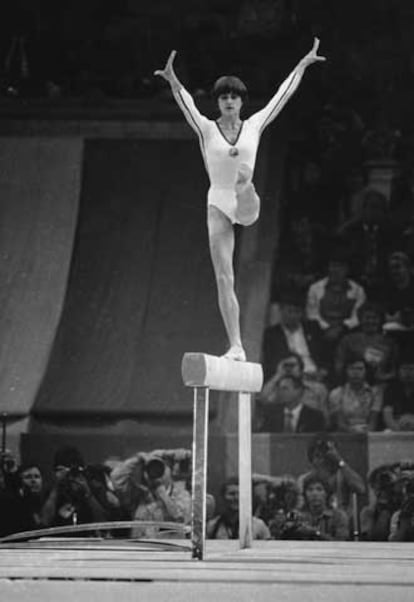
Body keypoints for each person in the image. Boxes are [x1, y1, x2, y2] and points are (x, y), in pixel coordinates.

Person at [154, 39, 326, 360]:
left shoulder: (255, 126)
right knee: (224, 277)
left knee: (244, 190)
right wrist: (174, 80)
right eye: (224, 97)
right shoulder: (205, 129)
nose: (229, 101)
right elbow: (187, 104)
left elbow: (283, 94)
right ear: (217, 102)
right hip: (218, 204)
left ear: (241, 101)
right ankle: (236, 345)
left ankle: (245, 185)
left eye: (234, 96)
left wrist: (301, 66)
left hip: (245, 204)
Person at [111, 448, 192, 539]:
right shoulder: (138, 495)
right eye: (150, 469)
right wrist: (139, 458)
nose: (155, 473)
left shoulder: (182, 495)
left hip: (168, 550)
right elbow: (116, 477)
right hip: (140, 549)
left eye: (160, 468)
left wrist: (163, 495)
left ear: (169, 470)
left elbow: (180, 518)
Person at [262, 289, 328, 382]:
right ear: (281, 310)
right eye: (290, 311)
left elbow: (325, 355)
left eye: (297, 312)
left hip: (315, 376)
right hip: (288, 378)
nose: (293, 315)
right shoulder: (271, 334)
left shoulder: (313, 328)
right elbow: (272, 363)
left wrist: (322, 372)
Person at [297, 434, 366, 514]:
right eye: (317, 456)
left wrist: (339, 461)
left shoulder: (343, 476)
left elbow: (361, 488)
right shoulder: (304, 479)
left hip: (341, 522)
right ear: (311, 459)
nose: (322, 460)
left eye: (325, 456)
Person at [334, 301, 398, 386]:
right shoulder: (348, 340)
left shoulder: (389, 342)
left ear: (380, 320)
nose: (371, 321)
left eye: (375, 318)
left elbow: (395, 369)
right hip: (353, 385)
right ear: (360, 319)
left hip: (381, 385)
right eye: (367, 318)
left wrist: (384, 377)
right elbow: (339, 365)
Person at [259, 352, 329, 419]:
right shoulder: (279, 389)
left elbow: (325, 415)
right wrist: (278, 374)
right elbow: (263, 400)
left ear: (301, 368)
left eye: (292, 365)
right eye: (286, 365)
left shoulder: (318, 388)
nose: (289, 369)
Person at [328, 358, 383, 433]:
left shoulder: (375, 393)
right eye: (351, 369)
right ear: (345, 371)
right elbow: (340, 423)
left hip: (369, 434)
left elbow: (373, 423)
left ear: (366, 371)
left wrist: (364, 433)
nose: (355, 372)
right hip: (344, 435)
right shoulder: (336, 393)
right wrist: (354, 432)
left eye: (360, 369)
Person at [258, 374, 326, 433]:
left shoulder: (315, 417)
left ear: (298, 391)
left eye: (285, 388)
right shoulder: (270, 414)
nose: (280, 392)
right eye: (279, 389)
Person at [295, 473, 349, 541]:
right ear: (305, 494)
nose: (314, 493)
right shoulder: (299, 516)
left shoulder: (339, 516)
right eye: (310, 490)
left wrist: (316, 533)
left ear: (327, 493)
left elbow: (341, 544)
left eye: (319, 489)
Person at [382, 356, 414, 431]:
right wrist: (398, 431)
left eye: (411, 369)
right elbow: (387, 416)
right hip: (396, 429)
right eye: (404, 369)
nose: (407, 373)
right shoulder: (390, 388)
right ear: (398, 371)